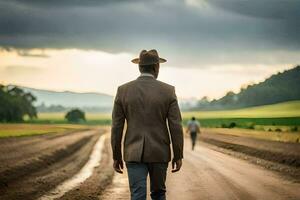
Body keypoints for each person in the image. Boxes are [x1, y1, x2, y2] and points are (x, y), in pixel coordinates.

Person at [111, 49, 184, 200]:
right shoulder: (168, 91)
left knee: (137, 195)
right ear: (157, 67)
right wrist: (178, 155)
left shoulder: (123, 90)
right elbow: (175, 126)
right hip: (159, 152)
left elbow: (116, 126)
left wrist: (116, 155)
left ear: (139, 67)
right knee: (159, 194)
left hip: (133, 152)